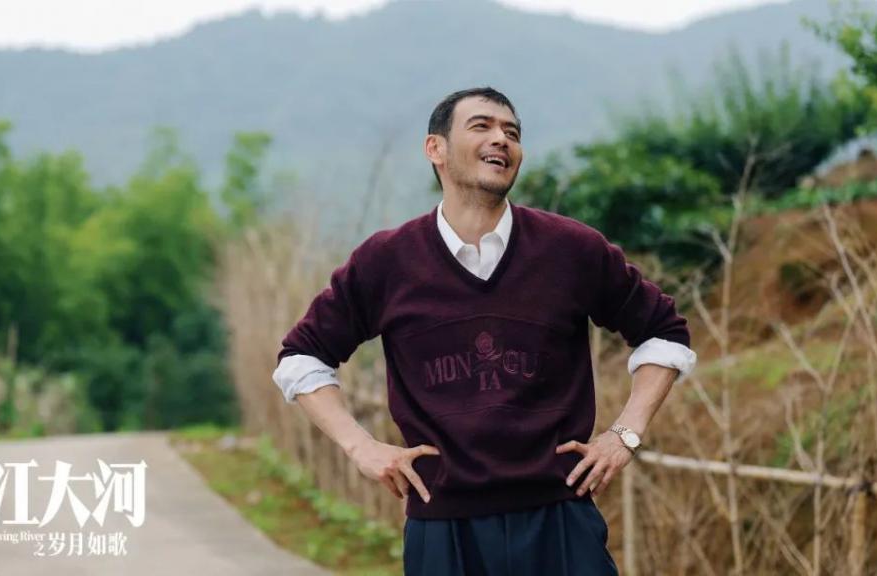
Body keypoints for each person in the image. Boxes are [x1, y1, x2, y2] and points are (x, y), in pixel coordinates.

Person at [272, 86, 697, 575]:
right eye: (482, 126)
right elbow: (301, 358)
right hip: (442, 527)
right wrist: (360, 446)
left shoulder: (571, 249)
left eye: (512, 132)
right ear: (435, 148)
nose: (502, 139)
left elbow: (664, 333)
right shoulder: (386, 261)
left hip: (561, 518)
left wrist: (624, 435)